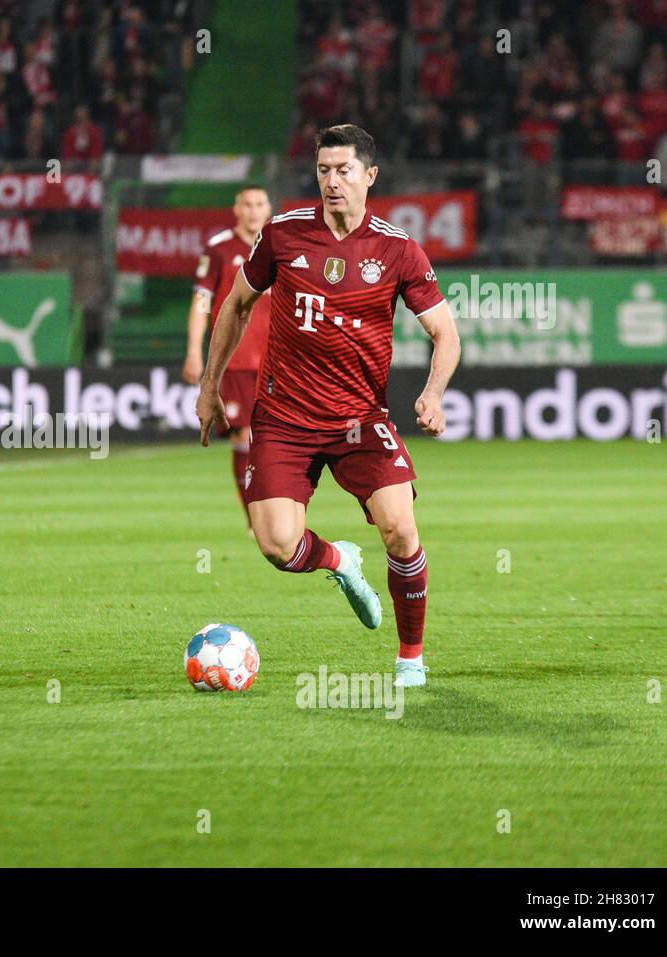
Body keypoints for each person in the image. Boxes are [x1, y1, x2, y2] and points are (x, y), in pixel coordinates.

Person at [195, 124, 461, 689]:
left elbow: (446, 334)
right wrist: (209, 384)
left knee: (401, 530)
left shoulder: (397, 249)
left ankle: (410, 658)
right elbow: (237, 304)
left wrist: (433, 392)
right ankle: (340, 561)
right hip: (284, 419)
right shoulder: (284, 235)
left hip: (360, 421)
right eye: (323, 170)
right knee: (276, 545)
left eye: (343, 171)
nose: (332, 182)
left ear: (370, 176)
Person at [182, 185, 273, 530]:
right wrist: (194, 350)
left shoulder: (280, 247)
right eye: (247, 204)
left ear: (268, 208)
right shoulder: (220, 249)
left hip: (277, 361)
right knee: (245, 435)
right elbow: (202, 301)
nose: (253, 210)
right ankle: (255, 520)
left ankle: (273, 513)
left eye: (259, 204)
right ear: (237, 210)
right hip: (236, 361)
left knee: (273, 439)